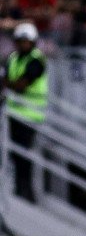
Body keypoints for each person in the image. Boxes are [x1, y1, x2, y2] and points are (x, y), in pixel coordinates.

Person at [1, 22, 47, 203]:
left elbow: (21, 85)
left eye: (26, 41)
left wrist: (7, 85)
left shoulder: (37, 60)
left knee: (24, 155)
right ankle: (19, 189)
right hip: (13, 113)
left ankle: (27, 192)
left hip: (31, 115)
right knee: (13, 154)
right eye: (20, 41)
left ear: (33, 42)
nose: (22, 44)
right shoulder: (13, 58)